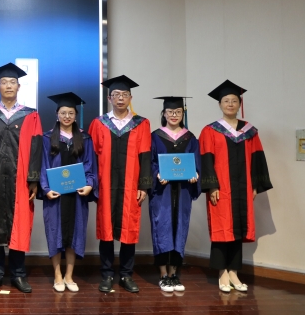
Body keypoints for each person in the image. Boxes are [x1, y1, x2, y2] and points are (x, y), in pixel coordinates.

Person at [0, 63, 43, 294]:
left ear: (19, 86)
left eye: (12, 82)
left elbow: (36, 148)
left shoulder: (31, 115)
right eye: (4, 82)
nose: (8, 86)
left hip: (19, 179)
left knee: (19, 225)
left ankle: (18, 274)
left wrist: (33, 179)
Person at [199, 80, 272, 293]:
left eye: (234, 101)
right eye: (226, 101)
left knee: (238, 229)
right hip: (221, 188)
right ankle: (222, 272)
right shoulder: (210, 131)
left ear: (239, 104)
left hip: (243, 188)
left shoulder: (250, 131)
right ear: (219, 104)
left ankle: (234, 272)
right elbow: (206, 159)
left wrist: (255, 185)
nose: (230, 104)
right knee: (222, 229)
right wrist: (212, 186)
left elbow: (257, 158)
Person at [88, 75, 152, 293]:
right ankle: (106, 275)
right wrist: (93, 184)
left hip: (131, 186)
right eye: (116, 95)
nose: (121, 98)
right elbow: (91, 156)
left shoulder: (141, 124)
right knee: (106, 229)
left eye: (125, 95)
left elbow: (145, 155)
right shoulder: (98, 123)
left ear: (130, 98)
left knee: (129, 229)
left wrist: (144, 185)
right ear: (109, 98)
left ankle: (126, 275)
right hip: (105, 185)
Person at [39, 92, 96, 293]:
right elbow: (43, 165)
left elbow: (90, 165)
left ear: (76, 115)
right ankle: (57, 276)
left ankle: (69, 276)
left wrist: (89, 184)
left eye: (71, 113)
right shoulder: (47, 138)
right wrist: (46, 189)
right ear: (57, 114)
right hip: (55, 196)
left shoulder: (85, 138)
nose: (67, 116)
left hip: (77, 195)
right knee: (55, 232)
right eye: (63, 113)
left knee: (75, 233)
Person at [149, 96, 200, 293]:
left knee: (180, 227)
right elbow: (150, 162)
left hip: (183, 191)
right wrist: (157, 174)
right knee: (162, 228)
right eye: (170, 112)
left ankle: (174, 273)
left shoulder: (190, 138)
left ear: (182, 113)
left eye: (178, 112)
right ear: (164, 113)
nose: (174, 115)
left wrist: (195, 174)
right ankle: (163, 274)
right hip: (162, 192)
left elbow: (196, 162)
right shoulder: (155, 136)